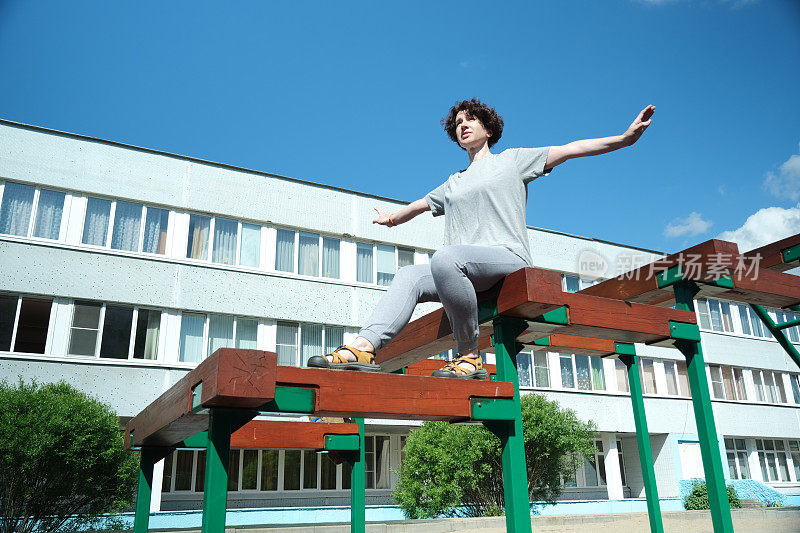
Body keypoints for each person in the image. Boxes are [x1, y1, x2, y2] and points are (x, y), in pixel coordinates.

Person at [307, 99, 655, 378]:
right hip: (463, 271)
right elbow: (422, 203)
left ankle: (468, 355)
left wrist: (624, 139)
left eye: (470, 120)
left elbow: (571, 148)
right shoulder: (454, 181)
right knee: (409, 276)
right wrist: (394, 218)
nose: (463, 125)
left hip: (505, 258)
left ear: (488, 129)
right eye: (458, 123)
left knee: (446, 257)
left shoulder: (513, 161)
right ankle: (362, 347)